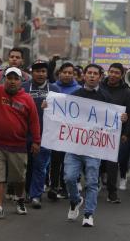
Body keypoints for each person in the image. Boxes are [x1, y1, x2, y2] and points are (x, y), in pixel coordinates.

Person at [62, 63, 128, 227]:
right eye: (89, 73)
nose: (92, 76)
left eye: (95, 74)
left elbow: (112, 121)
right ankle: (75, 201)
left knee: (92, 182)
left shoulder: (106, 98)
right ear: (84, 75)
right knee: (69, 178)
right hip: (74, 147)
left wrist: (121, 120)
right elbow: (62, 115)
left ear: (100, 77)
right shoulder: (74, 95)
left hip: (93, 149)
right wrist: (48, 108)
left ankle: (89, 214)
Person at [0, 56, 40, 220]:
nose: (12, 81)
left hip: (18, 145)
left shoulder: (27, 99)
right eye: (9, 78)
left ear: (21, 81)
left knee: (18, 178)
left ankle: (20, 199)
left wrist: (36, 141)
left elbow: (34, 122)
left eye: (16, 79)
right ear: (4, 79)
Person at [22, 60, 60, 209]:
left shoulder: (55, 89)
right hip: (25, 134)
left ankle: (36, 195)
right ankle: (26, 192)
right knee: (27, 165)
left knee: (40, 165)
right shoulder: (24, 88)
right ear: (32, 72)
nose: (40, 74)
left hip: (46, 135)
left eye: (43, 71)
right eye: (37, 71)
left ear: (47, 73)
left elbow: (62, 111)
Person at [99, 63, 130, 203]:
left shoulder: (125, 92)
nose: (113, 75)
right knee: (95, 161)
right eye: (111, 72)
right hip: (97, 130)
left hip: (114, 133)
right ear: (108, 72)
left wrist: (126, 133)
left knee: (112, 163)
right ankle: (95, 183)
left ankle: (112, 193)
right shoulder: (99, 87)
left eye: (117, 73)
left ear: (121, 75)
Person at [48, 62, 82, 200]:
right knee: (55, 160)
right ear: (59, 73)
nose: (67, 75)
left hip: (71, 131)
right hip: (55, 130)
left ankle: (64, 186)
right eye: (65, 72)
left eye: (70, 73)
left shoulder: (79, 89)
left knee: (67, 160)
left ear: (73, 74)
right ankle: (53, 186)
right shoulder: (53, 88)